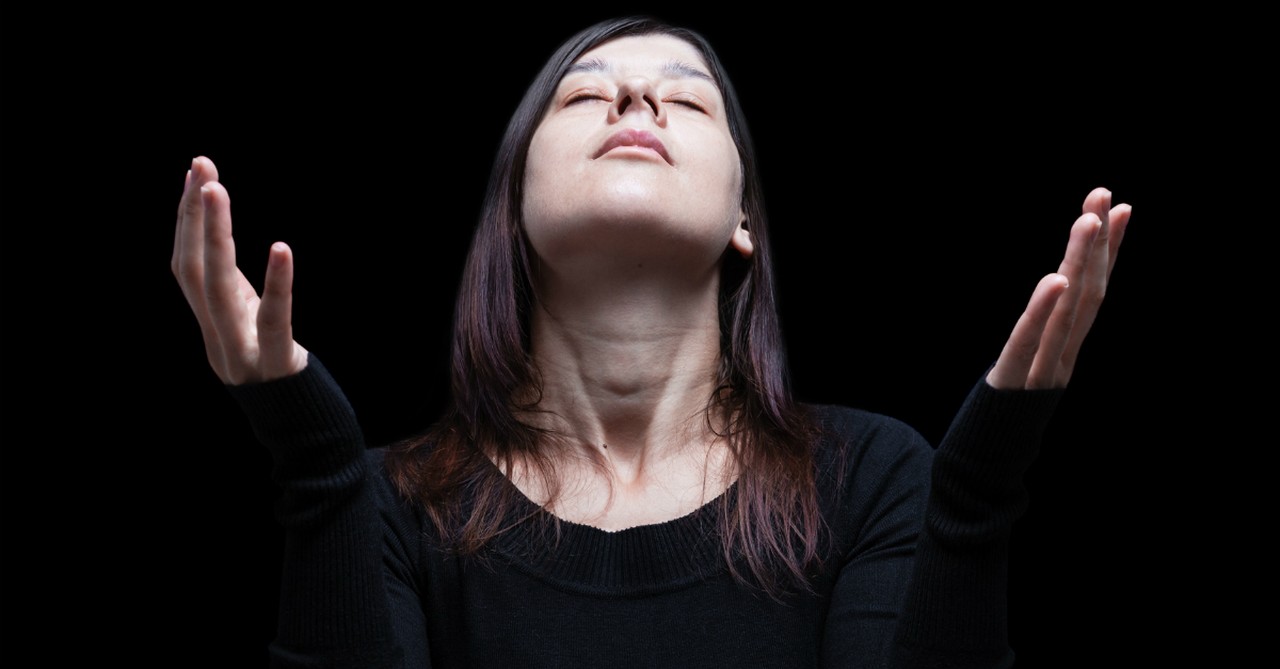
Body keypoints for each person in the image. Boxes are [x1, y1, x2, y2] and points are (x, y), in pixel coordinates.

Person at [171, 16, 1130, 669]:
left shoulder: (874, 477)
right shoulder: (390, 505)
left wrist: (975, 499)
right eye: (585, 97)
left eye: (689, 98)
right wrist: (312, 460)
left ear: (742, 217)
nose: (635, 101)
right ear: (514, 203)